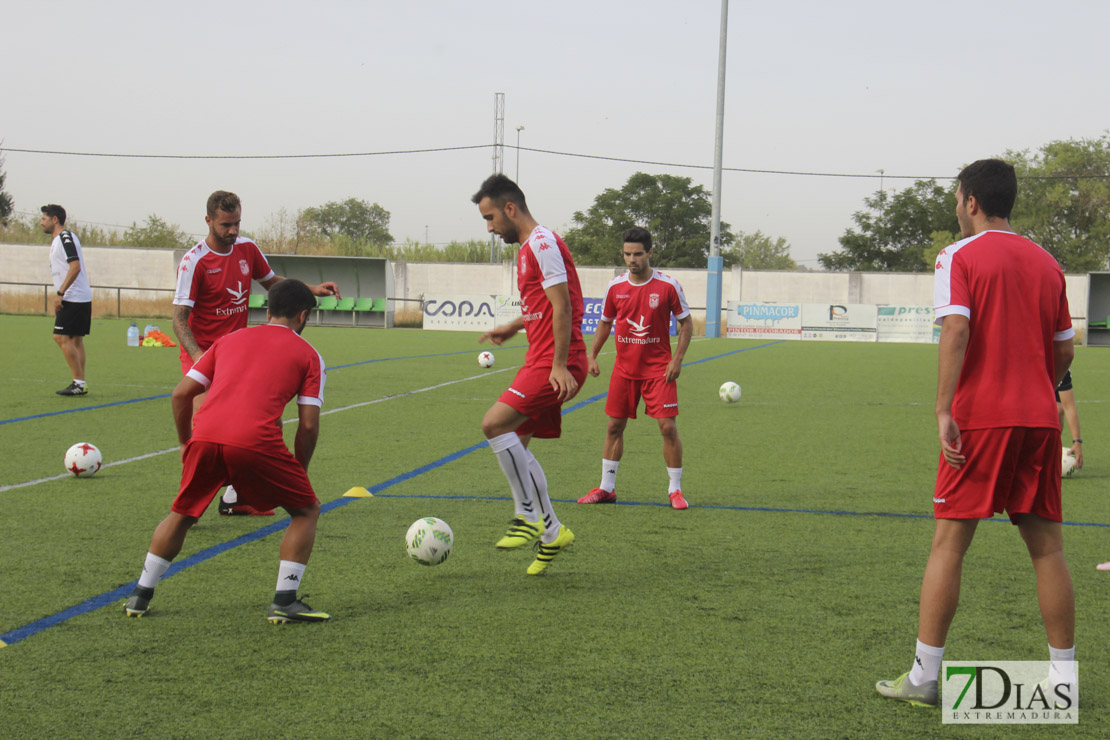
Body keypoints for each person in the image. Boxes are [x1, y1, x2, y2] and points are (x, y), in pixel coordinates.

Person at [876, 159, 1076, 707]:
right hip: (1039, 418)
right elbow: (1066, 348)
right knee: (1047, 551)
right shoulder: (1047, 262)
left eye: (956, 199)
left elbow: (957, 327)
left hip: (981, 421)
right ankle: (1063, 683)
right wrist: (1038, 388)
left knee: (949, 545)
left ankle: (922, 678)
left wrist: (944, 409)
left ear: (970, 202)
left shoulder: (957, 255)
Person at [124, 279, 329, 623]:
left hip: (204, 437)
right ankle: (285, 600)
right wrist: (300, 470)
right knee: (307, 509)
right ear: (304, 316)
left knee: (183, 513)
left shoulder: (227, 340)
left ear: (268, 311)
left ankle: (140, 595)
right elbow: (307, 425)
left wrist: (184, 442)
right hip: (255, 441)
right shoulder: (309, 355)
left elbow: (180, 395)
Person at [173, 190, 340, 516]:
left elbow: (273, 283)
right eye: (226, 225)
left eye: (237, 223)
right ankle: (187, 508)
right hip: (206, 354)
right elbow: (179, 319)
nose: (233, 231)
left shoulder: (247, 249)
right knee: (207, 430)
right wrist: (198, 357)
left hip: (244, 351)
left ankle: (237, 499)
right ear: (208, 221)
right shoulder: (193, 263)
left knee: (262, 423)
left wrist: (312, 289)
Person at [472, 174, 587, 575]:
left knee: (493, 424)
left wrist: (558, 365)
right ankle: (553, 533)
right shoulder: (527, 249)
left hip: (556, 361)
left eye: (490, 218)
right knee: (516, 441)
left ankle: (528, 516)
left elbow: (564, 306)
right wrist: (514, 326)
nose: (489, 228)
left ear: (509, 208)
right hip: (540, 356)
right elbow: (544, 304)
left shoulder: (541, 243)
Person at [578, 227, 693, 509]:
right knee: (615, 426)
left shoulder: (668, 286)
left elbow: (686, 323)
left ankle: (675, 491)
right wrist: (592, 355)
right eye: (628, 254)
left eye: (638, 254)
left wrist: (676, 359)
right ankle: (607, 488)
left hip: (658, 371)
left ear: (650, 253)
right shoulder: (615, 287)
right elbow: (605, 321)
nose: (632, 259)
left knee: (667, 427)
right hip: (624, 370)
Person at [42, 204, 92, 396]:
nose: (41, 223)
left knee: (60, 337)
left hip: (73, 296)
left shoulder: (65, 237)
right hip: (77, 296)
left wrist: (61, 293)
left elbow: (75, 266)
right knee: (74, 339)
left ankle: (79, 383)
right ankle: (80, 382)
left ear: (55, 220)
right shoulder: (58, 240)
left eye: (44, 219)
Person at [1056, 370, 1083, 470]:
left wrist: (1077, 442)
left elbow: (1069, 407)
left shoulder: (1061, 366)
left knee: (1057, 409)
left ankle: (1051, 450)